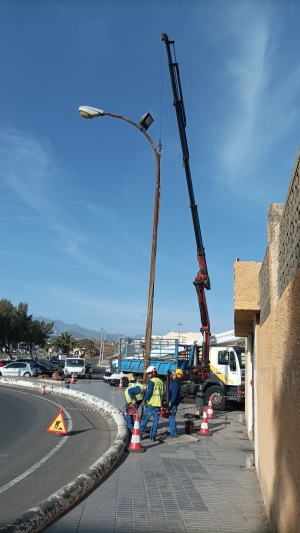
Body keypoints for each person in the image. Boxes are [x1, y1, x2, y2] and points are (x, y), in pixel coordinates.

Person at [139, 366, 163, 441]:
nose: (148, 375)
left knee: (144, 420)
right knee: (155, 421)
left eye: (149, 374)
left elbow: (149, 392)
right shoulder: (160, 381)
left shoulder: (151, 381)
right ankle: (153, 436)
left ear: (153, 373)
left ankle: (139, 434)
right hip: (158, 404)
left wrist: (144, 400)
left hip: (151, 404)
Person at [168, 368, 184, 437]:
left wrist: (170, 402)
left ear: (176, 374)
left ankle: (173, 433)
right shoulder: (176, 382)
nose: (172, 372)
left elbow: (174, 395)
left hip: (173, 403)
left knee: (171, 417)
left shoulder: (175, 383)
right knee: (172, 416)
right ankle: (174, 430)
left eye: (174, 371)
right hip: (175, 403)